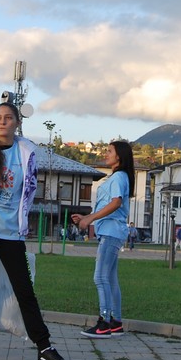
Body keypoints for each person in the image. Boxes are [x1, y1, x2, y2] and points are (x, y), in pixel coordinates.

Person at [0, 101, 71, 360]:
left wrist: (20, 221)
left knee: (25, 290)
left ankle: (44, 347)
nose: (2, 122)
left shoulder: (26, 153)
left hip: (10, 232)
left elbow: (29, 189)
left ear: (17, 123)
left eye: (8, 117)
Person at [74, 140, 133, 338]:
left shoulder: (119, 177)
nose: (105, 154)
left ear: (119, 156)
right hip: (111, 231)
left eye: (109, 151)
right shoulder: (118, 177)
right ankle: (116, 322)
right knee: (110, 279)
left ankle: (104, 323)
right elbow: (109, 205)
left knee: (100, 277)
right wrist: (86, 217)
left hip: (111, 232)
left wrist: (90, 218)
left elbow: (116, 203)